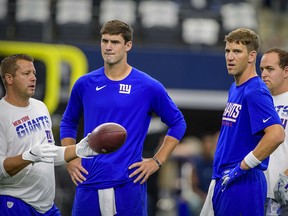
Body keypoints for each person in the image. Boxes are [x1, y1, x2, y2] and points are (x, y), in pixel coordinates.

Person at [60, 19, 187, 216]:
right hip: (88, 181)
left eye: (115, 42)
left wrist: (156, 161)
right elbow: (68, 121)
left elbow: (178, 123)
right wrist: (69, 159)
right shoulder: (84, 83)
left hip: (128, 183)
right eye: (104, 41)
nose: (108, 47)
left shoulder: (148, 86)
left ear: (128, 45)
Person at [200, 28, 285, 216]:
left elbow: (277, 134)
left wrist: (242, 167)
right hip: (225, 179)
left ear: (251, 56)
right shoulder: (235, 88)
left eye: (237, 51)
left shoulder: (255, 90)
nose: (230, 57)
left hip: (243, 181)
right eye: (227, 51)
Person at [0, 54, 98, 216]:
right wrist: (28, 156)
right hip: (15, 203)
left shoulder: (40, 107)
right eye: (26, 74)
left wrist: (79, 149)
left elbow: (48, 154)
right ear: (9, 79)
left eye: (34, 73)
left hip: (45, 206)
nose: (33, 78)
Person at [260, 48, 288, 216]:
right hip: (260, 191)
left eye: (270, 69)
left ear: (286, 71)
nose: (264, 74)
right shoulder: (261, 101)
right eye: (262, 69)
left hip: (284, 190)